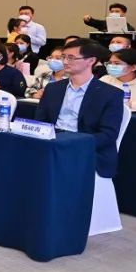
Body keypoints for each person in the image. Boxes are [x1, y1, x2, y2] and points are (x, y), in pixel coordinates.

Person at [36, 40, 124, 179]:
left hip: (85, 149)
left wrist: (72, 143)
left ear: (91, 61)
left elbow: (108, 135)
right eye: (64, 57)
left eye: (71, 58)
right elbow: (41, 122)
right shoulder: (53, 88)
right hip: (53, 145)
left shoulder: (110, 94)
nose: (65, 61)